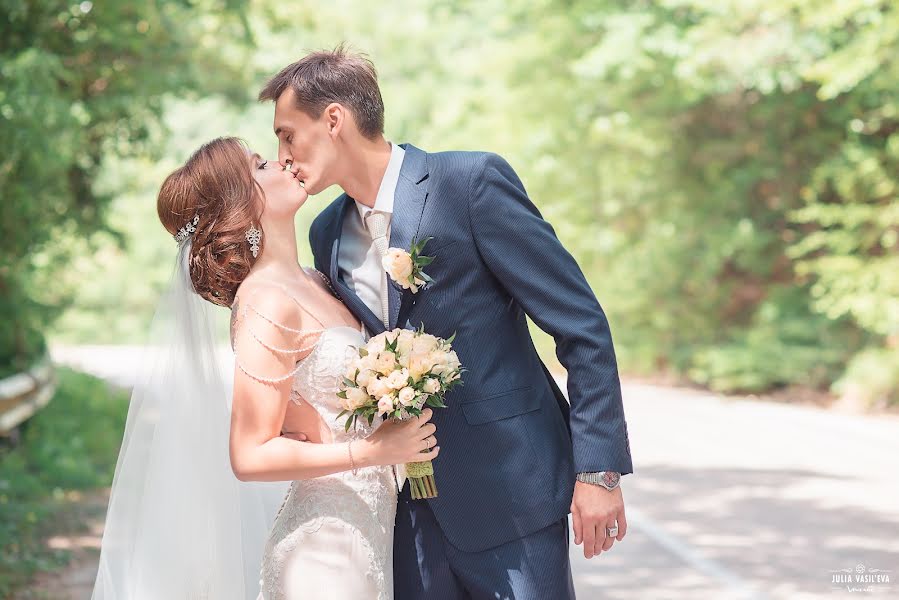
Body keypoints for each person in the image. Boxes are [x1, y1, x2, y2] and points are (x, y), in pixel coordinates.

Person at [256, 46, 634, 600]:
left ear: (333, 120)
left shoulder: (470, 183)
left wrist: (598, 471)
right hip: (404, 513)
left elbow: (581, 324)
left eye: (288, 134)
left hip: (511, 495)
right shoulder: (327, 235)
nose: (282, 154)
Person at [91, 136, 439, 600]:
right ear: (239, 207)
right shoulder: (265, 302)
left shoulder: (316, 280)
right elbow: (250, 455)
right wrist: (372, 451)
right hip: (324, 553)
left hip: (368, 530)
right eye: (259, 165)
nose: (280, 163)